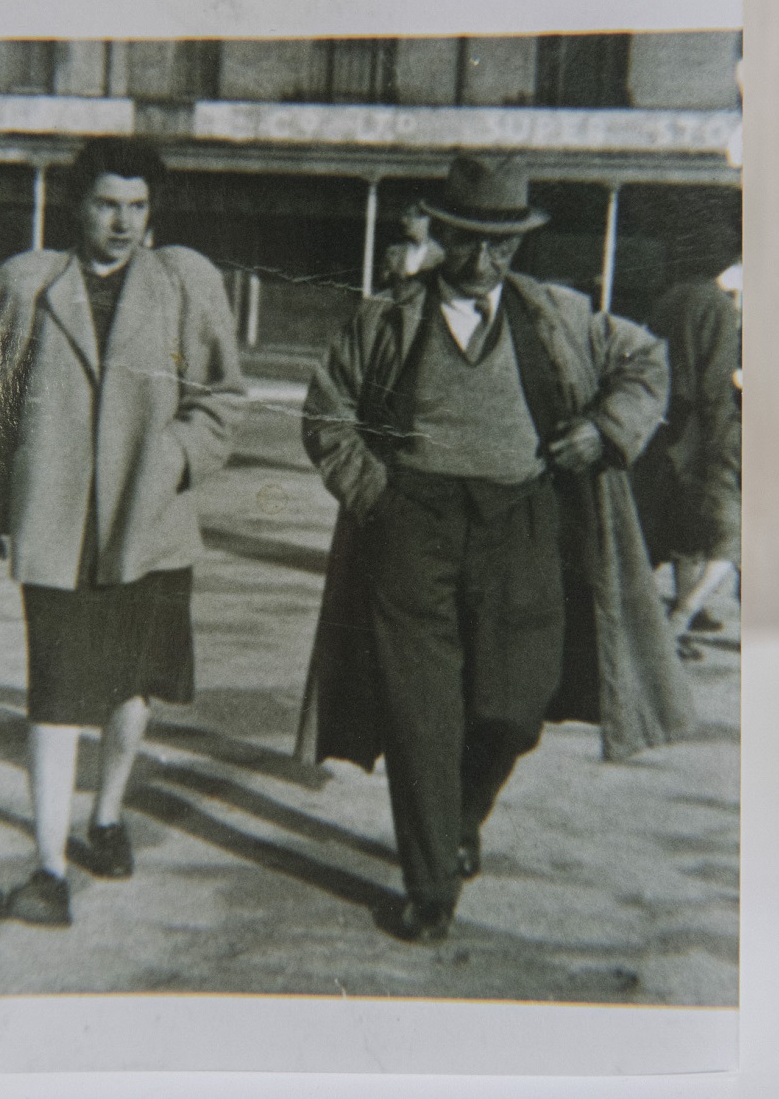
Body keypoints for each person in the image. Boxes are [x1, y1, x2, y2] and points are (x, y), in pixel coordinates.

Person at [299, 156, 690, 943]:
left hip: (523, 526)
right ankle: (430, 888)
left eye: (501, 244)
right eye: (469, 240)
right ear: (440, 234)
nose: (483, 260)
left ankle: (458, 819)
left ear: (519, 244)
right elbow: (326, 415)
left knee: (516, 704)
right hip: (413, 530)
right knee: (420, 715)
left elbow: (647, 361)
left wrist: (604, 429)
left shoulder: (558, 314)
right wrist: (378, 496)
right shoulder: (387, 319)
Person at [0, 137, 246, 926]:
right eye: (106, 204)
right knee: (55, 691)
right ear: (77, 205)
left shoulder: (184, 283)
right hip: (55, 525)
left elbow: (223, 396)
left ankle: (108, 814)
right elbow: (3, 413)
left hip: (148, 523)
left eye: (137, 206)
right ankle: (48, 869)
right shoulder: (31, 284)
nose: (122, 223)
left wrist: (175, 457)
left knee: (132, 685)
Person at [632, 259, 742, 657]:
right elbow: (715, 381)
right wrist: (721, 437)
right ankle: (675, 622)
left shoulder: (669, 298)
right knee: (724, 533)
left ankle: (678, 616)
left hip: (665, 426)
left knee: (675, 529)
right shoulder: (718, 305)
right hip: (702, 432)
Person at [378, 201, 445, 287]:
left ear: (425, 220)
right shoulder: (393, 251)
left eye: (409, 216)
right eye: (403, 216)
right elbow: (384, 283)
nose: (403, 220)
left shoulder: (438, 254)